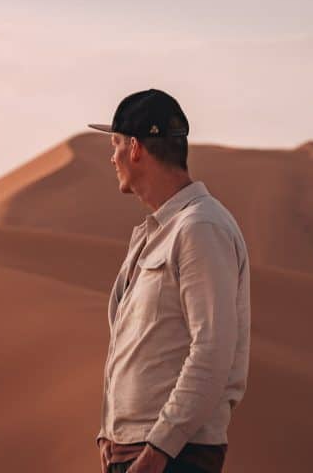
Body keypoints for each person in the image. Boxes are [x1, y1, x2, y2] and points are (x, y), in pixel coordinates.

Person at [87, 89, 251, 473]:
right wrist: (108, 434)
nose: (112, 157)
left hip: (175, 457)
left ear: (136, 148)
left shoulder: (200, 228)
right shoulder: (157, 232)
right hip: (137, 453)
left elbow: (212, 349)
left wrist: (159, 448)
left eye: (115, 144)